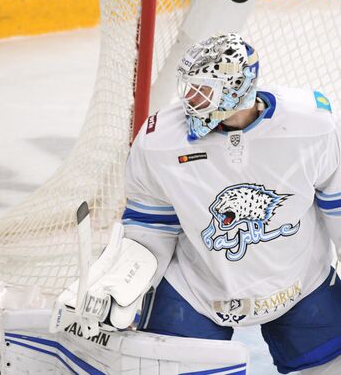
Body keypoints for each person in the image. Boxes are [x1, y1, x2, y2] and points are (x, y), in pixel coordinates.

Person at [119, 32, 341, 374]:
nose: (190, 98)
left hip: (301, 284)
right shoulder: (159, 143)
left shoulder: (312, 127)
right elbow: (149, 228)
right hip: (196, 291)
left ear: (237, 88)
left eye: (203, 89)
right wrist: (122, 286)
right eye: (189, 87)